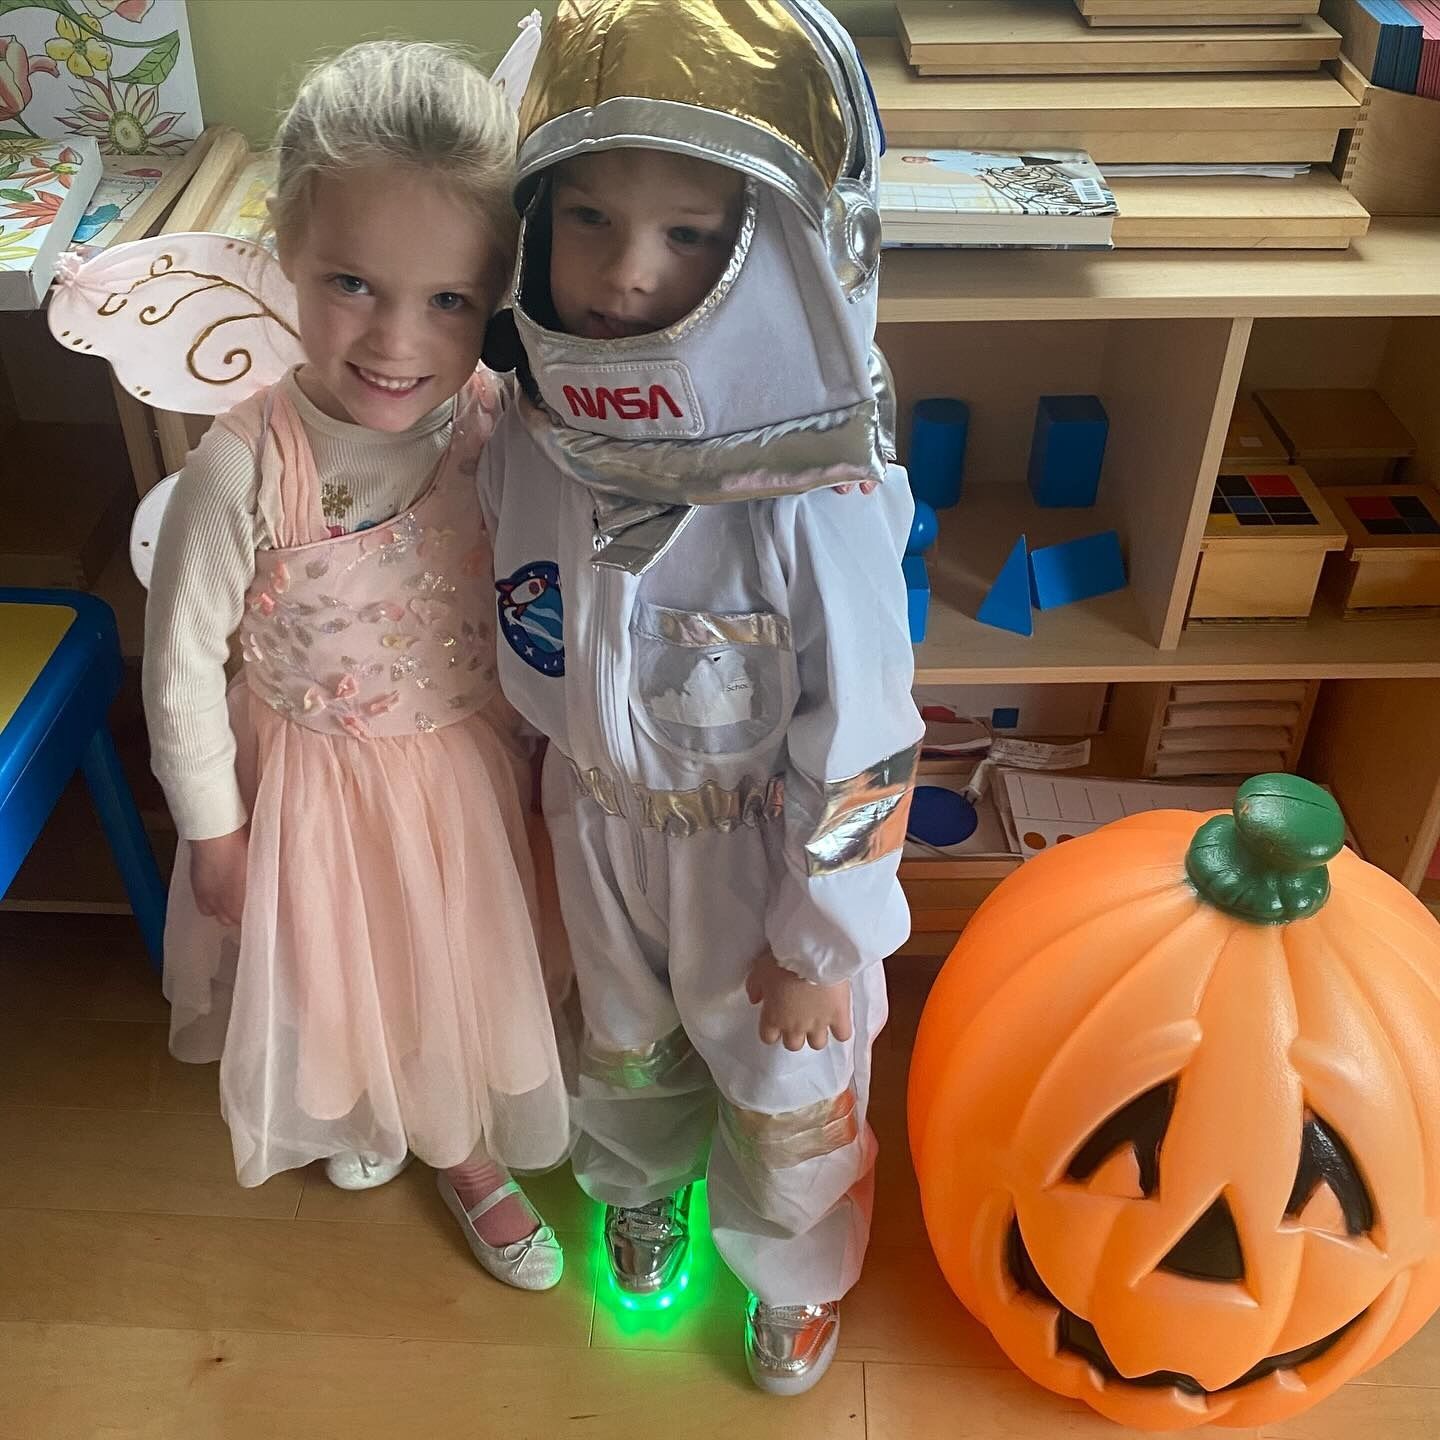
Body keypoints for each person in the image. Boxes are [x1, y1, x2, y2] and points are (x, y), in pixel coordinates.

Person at [479, 0, 922, 1388]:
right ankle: (637, 1191)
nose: (622, 277)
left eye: (687, 233)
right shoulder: (535, 435)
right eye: (589, 220)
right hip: (597, 821)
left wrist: (823, 939)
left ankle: (790, 1268)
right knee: (622, 1042)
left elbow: (867, 728)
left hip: (759, 849)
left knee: (783, 1079)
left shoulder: (815, 490)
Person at [143, 40, 569, 1290]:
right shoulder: (240, 466)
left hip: (468, 767)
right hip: (316, 789)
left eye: (447, 299)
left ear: (492, 294)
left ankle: (464, 1145)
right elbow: (178, 674)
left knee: (463, 957)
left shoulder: (493, 421)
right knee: (344, 968)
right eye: (352, 284)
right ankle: (369, 1111)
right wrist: (215, 832)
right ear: (286, 245)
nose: (396, 338)